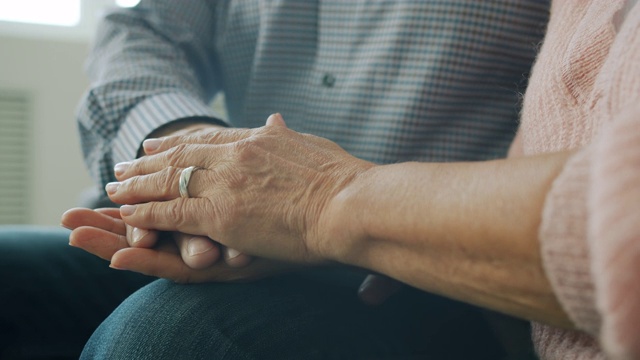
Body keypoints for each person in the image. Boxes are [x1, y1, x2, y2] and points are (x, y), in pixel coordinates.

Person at [65, 0, 640, 358]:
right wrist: (202, 161)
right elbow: (142, 32)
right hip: (198, 230)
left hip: (411, 276)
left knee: (176, 337)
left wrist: (316, 206)